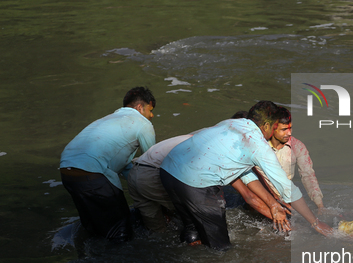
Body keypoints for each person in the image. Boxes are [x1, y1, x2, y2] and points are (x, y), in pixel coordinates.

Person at [160, 101, 331, 250]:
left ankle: (188, 252)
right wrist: (315, 223)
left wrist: (272, 204)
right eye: (274, 127)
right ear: (266, 126)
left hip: (168, 171)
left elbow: (245, 173)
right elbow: (287, 188)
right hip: (194, 183)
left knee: (193, 230)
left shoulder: (231, 123)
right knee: (221, 247)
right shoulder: (257, 144)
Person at [128, 132, 284, 234]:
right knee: (198, 218)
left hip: (135, 174)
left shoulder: (202, 137)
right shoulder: (223, 152)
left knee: (158, 233)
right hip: (153, 177)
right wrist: (281, 220)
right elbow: (250, 196)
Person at [59, 87, 156, 241]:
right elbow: (150, 164)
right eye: (151, 110)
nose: (151, 115)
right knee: (121, 231)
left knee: (94, 228)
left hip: (67, 172)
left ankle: (89, 258)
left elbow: (126, 167)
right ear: (140, 107)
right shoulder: (142, 123)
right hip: (94, 174)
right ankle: (118, 262)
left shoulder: (108, 120)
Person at [255, 107, 325, 211]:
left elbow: (308, 175)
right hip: (259, 195)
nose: (289, 133)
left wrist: (320, 205)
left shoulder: (297, 147)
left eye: (290, 128)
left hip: (284, 197)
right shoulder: (257, 146)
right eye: (284, 129)